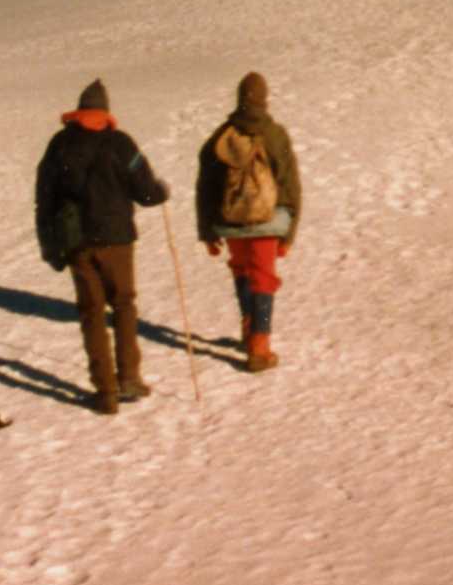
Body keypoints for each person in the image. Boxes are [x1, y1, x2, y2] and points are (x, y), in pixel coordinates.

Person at [35, 78, 169, 415]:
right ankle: (129, 378)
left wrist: (50, 245)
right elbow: (147, 192)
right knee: (123, 305)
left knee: (91, 313)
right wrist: (161, 191)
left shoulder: (59, 145)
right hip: (118, 241)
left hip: (78, 242)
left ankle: (105, 392)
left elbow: (44, 198)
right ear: (106, 112)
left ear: (79, 111)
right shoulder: (121, 144)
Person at [195, 71, 302, 373]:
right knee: (263, 278)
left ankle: (248, 326)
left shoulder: (221, 136)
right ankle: (259, 345)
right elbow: (291, 185)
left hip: (231, 223)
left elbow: (205, 186)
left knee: (242, 270)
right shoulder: (275, 134)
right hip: (267, 222)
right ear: (265, 99)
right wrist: (289, 232)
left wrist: (207, 230)